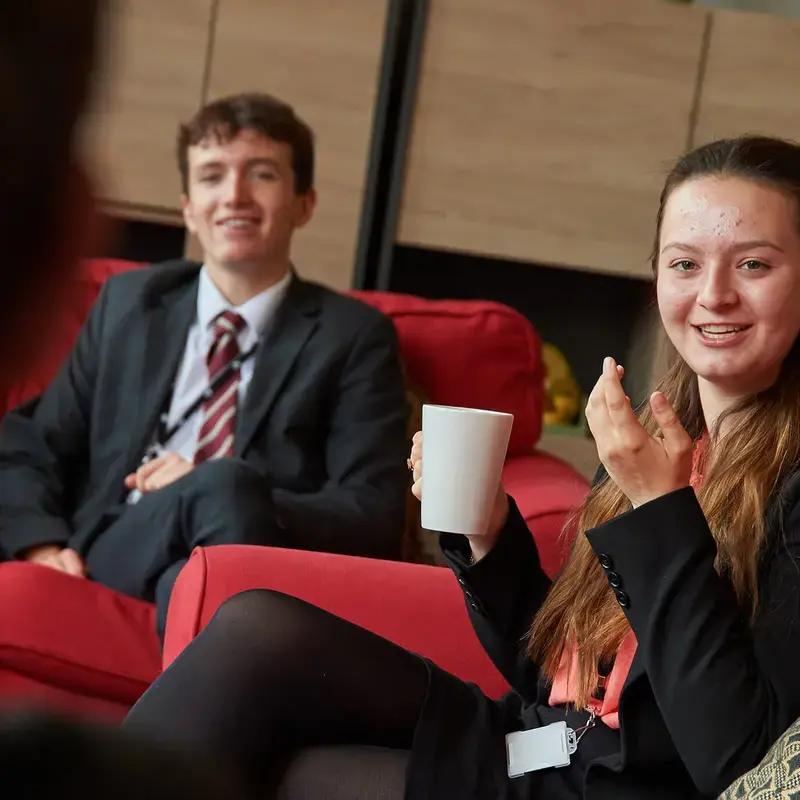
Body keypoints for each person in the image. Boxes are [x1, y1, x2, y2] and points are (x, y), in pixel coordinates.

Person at [122, 134, 800, 800]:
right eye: (684, 264)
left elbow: (738, 762)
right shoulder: (655, 431)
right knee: (256, 631)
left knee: (295, 772)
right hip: (547, 744)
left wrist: (660, 511)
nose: (713, 295)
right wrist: (487, 535)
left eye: (753, 265)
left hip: (620, 783)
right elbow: (551, 681)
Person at [0, 91, 409, 637]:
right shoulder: (129, 305)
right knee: (222, 495)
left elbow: (373, 512)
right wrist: (40, 544)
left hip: (249, 565)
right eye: (212, 176)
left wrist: (230, 489)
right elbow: (31, 442)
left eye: (261, 174)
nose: (233, 196)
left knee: (204, 550)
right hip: (121, 541)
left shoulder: (353, 337)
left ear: (304, 203)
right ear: (189, 208)